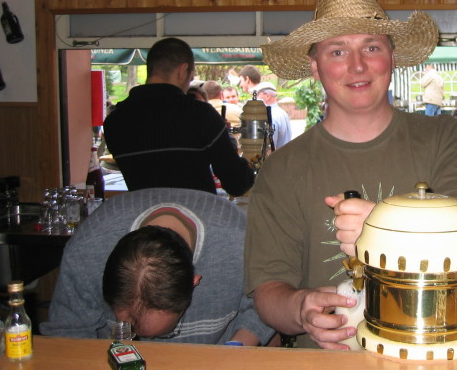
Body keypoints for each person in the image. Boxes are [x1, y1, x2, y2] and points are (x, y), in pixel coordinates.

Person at [245, 0, 457, 350]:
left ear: (392, 56)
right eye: (338, 51)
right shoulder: (282, 169)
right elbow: (268, 291)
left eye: (371, 47)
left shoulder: (445, 136)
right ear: (315, 66)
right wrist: (300, 308)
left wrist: (382, 229)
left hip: (434, 354)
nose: (357, 65)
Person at [41, 187, 275, 345]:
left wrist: (234, 351)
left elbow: (264, 306)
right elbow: (68, 331)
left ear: (194, 283)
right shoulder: (88, 251)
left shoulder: (242, 244)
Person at [103, 37, 254, 196]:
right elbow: (237, 184)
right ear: (183, 70)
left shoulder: (114, 121)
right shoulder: (200, 115)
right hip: (195, 210)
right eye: (190, 78)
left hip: (143, 210)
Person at [252, 81, 292, 149]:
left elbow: (270, 148)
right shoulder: (282, 113)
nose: (254, 98)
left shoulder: (270, 116)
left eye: (257, 94)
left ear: (267, 96)